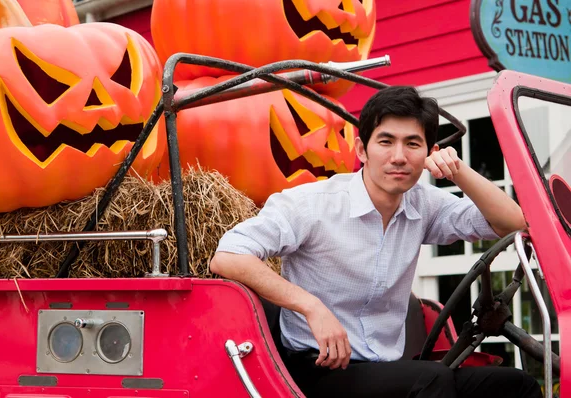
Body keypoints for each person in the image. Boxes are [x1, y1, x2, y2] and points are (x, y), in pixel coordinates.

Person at [210, 86, 541, 398]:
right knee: (431, 380)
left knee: (514, 384)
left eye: (413, 144)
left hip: (385, 370)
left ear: (429, 153)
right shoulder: (312, 204)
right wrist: (312, 308)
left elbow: (512, 223)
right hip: (316, 370)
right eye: (386, 141)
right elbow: (228, 257)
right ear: (361, 150)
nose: (399, 156)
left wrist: (458, 172)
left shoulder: (423, 204)